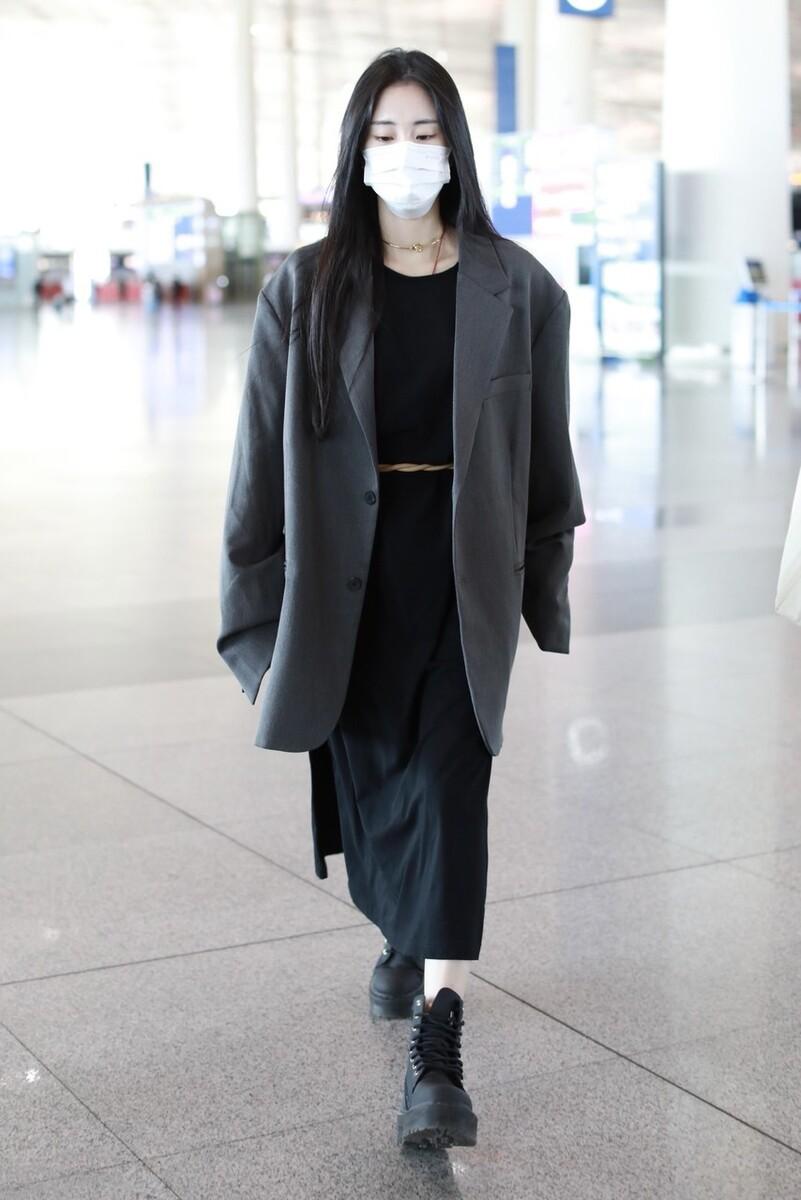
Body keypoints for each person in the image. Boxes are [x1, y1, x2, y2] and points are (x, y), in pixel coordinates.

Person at [216, 47, 586, 1152]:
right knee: (379, 781)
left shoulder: (518, 287)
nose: (407, 153)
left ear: (455, 146)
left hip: (463, 573)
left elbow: (549, 459)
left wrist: (543, 590)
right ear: (356, 151)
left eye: (425, 132)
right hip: (349, 575)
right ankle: (398, 928)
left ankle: (439, 1048)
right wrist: (255, 625)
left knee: (452, 784)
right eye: (385, 134)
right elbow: (256, 472)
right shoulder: (307, 287)